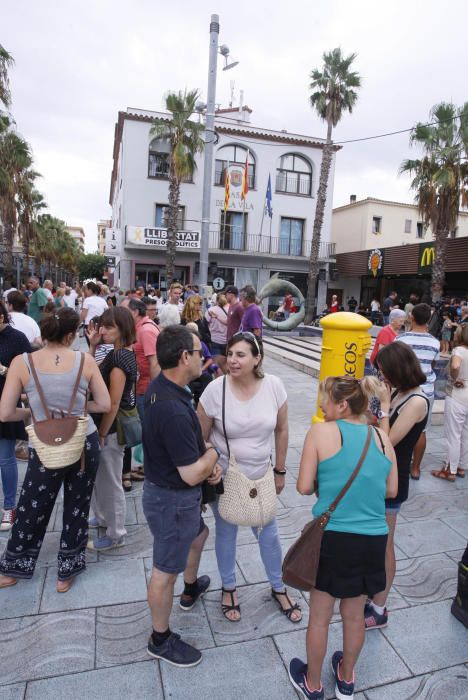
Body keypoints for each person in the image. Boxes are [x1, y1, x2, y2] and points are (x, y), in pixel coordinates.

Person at [289, 376, 397, 700]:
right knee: (353, 616)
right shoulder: (381, 438)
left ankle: (312, 683)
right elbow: (391, 490)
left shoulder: (320, 432)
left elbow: (304, 486)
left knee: (320, 616)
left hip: (334, 539)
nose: (321, 407)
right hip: (373, 539)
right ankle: (346, 681)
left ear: (342, 404)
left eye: (325, 400)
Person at [0, 307, 110, 591]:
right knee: (77, 504)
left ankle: (14, 567)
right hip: (83, 441)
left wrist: (33, 412)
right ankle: (67, 570)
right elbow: (105, 404)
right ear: (72, 334)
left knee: (32, 504)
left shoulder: (22, 362)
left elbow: (5, 413)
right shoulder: (85, 361)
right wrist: (78, 408)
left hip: (44, 441)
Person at [197, 331, 302, 625]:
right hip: (227, 475)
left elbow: (281, 429)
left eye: (240, 355)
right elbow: (199, 436)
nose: (232, 360)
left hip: (262, 474)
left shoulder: (274, 386)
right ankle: (229, 587)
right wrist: (209, 467)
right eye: (230, 354)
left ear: (257, 358)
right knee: (227, 531)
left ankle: (278, 586)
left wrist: (280, 470)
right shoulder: (215, 391)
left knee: (269, 534)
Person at [142, 325, 222, 667]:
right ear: (184, 357)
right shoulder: (172, 408)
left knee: (199, 534)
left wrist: (202, 454)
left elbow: (185, 448)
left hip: (172, 495)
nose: (203, 355)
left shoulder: (167, 389)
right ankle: (160, 639)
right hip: (172, 501)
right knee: (164, 570)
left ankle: (190, 587)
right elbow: (190, 472)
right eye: (198, 349)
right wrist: (213, 457)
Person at [365, 342, 429, 630]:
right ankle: (373, 592)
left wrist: (386, 405)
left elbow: (386, 442)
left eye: (384, 371)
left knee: (386, 544)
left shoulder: (416, 401)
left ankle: (380, 608)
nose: (382, 377)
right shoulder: (398, 391)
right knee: (374, 542)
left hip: (393, 480)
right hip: (377, 477)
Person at [86, 306, 138, 551]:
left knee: (110, 479)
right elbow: (93, 376)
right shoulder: (118, 352)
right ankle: (104, 518)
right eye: (102, 326)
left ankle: (116, 533)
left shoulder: (119, 357)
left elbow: (114, 402)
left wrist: (103, 432)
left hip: (113, 427)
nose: (103, 330)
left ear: (122, 329)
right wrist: (94, 346)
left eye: (109, 327)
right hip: (108, 425)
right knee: (101, 476)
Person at [395, 303, 440, 480]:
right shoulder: (435, 343)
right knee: (422, 431)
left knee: (398, 428)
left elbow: (395, 365)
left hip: (404, 391)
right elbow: (432, 365)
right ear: (428, 319)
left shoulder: (401, 340)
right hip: (426, 392)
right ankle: (415, 469)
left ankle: (398, 464)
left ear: (411, 317)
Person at [0, 301, 33, 531]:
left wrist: (5, 370)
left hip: (6, 401)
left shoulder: (17, 338)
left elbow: (32, 369)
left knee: (5, 458)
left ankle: (10, 507)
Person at [432, 324, 468, 481]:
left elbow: (455, 365)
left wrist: (455, 378)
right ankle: (461, 466)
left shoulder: (459, 350)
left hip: (458, 395)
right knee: (466, 434)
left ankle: (450, 470)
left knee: (453, 434)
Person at [205, 292, 228, 374]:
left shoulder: (211, 310)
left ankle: (218, 384)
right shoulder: (230, 309)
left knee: (216, 365)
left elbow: (206, 323)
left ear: (217, 300)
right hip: (227, 340)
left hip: (215, 339)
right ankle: (228, 381)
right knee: (225, 365)